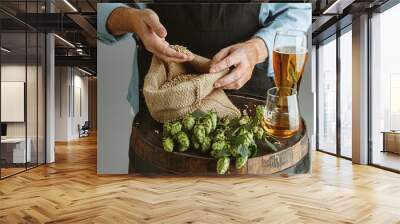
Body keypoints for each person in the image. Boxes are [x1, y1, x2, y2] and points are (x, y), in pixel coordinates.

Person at [98, 3, 311, 173]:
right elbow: (103, 13)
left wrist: (257, 48)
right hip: (162, 113)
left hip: (250, 101)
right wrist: (132, 19)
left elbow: (297, 11)